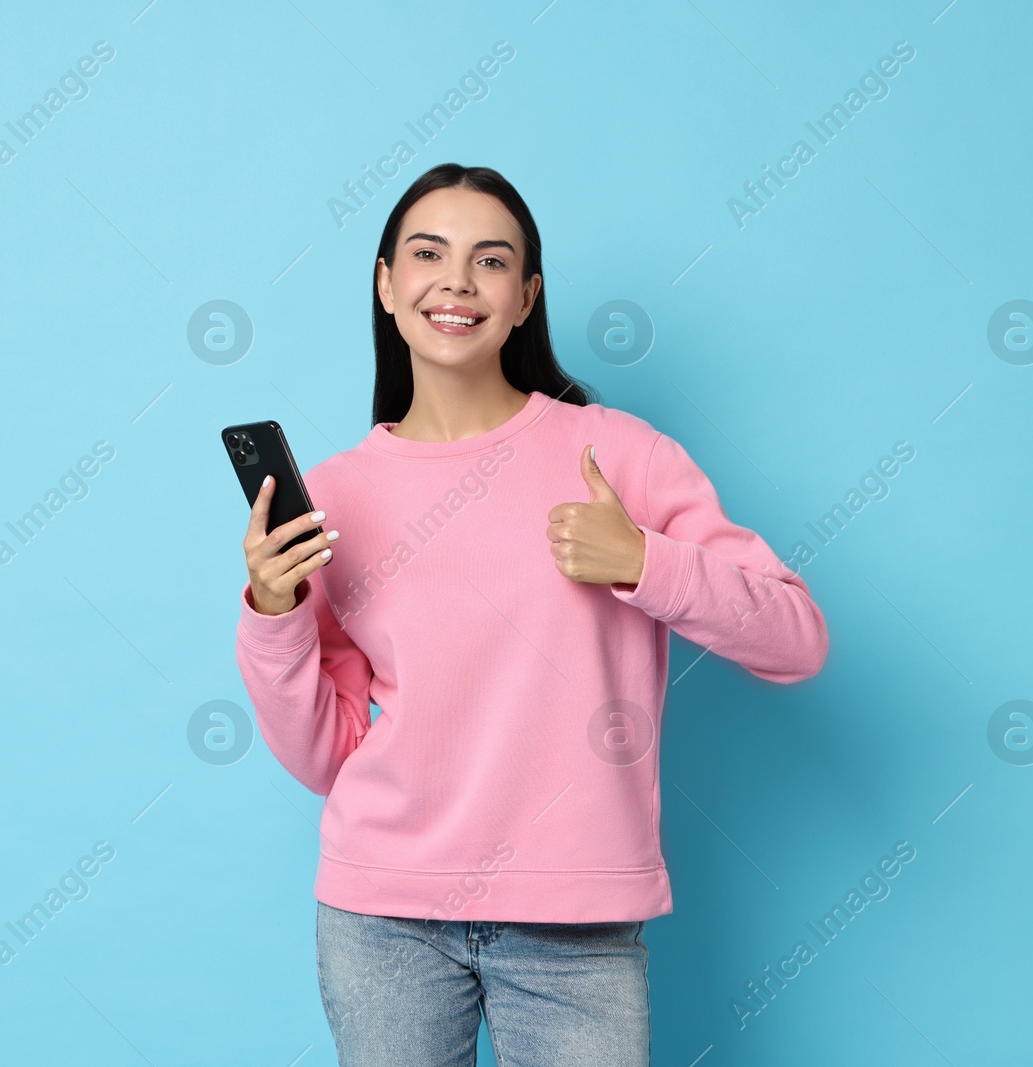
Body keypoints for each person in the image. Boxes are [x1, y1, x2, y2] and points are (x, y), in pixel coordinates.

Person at [235, 163, 828, 1066]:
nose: (457, 282)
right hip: (382, 916)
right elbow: (325, 755)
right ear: (386, 283)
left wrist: (645, 562)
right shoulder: (339, 494)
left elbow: (797, 639)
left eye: (492, 260)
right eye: (428, 254)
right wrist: (275, 614)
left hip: (576, 921)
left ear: (525, 298)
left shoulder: (620, 454)